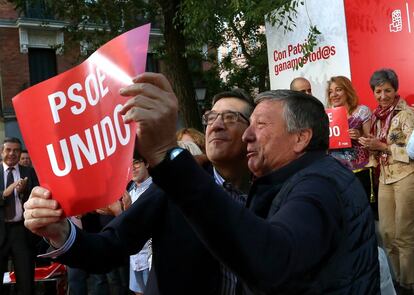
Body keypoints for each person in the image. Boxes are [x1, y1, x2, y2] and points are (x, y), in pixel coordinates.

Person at [112, 73, 379, 294]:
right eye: (211, 118)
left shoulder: (317, 186)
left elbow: (272, 260)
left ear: (300, 138)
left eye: (259, 124)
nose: (248, 136)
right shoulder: (296, 179)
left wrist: (169, 156)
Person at [24, 86, 254, 295]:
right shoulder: (174, 185)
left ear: (251, 134)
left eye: (231, 117)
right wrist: (60, 233)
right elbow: (109, 246)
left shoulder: (275, 191)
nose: (216, 124)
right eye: (211, 117)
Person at [359, 68, 414, 293]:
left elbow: (412, 151)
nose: (383, 96)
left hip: (405, 174)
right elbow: (375, 149)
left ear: (395, 90)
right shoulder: (375, 117)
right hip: (384, 178)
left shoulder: (407, 113)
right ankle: (397, 281)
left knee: (404, 233)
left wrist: (382, 147)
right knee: (388, 234)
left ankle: (409, 283)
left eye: (387, 90)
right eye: (378, 91)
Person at [326, 76, 377, 215]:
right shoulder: (327, 115)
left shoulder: (362, 111)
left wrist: (358, 136)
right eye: (331, 91)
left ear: (347, 90)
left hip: (361, 170)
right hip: (337, 172)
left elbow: (371, 141)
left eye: (338, 90)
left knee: (365, 211)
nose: (334, 94)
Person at [0, 137, 39, 295]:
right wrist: (4, 193)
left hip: (21, 232)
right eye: (8, 150)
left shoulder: (29, 172)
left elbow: (37, 197)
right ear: (2, 151)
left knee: (25, 281)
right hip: (0, 229)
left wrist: (23, 192)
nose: (12, 153)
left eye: (16, 150)